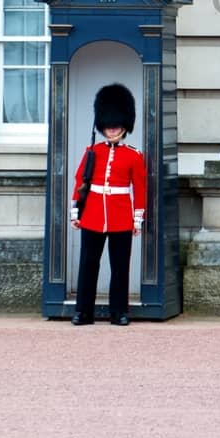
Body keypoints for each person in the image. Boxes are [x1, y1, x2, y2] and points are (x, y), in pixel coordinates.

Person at [70, 83, 146, 327]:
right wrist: (75, 211)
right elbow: (81, 180)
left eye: (116, 125)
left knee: (120, 267)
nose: (111, 130)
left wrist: (137, 219)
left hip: (120, 217)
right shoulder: (93, 151)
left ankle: (119, 312)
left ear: (125, 126)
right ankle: (83, 311)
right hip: (92, 214)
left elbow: (140, 188)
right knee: (88, 265)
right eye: (108, 125)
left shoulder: (134, 155)